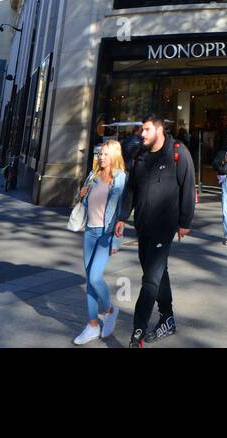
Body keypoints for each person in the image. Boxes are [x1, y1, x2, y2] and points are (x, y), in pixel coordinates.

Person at [115, 117, 195, 347]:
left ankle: (137, 331)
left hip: (165, 225)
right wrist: (123, 216)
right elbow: (131, 188)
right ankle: (167, 317)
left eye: (147, 129)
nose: (142, 133)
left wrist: (185, 221)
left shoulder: (177, 152)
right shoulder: (140, 155)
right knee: (159, 273)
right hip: (143, 225)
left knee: (150, 279)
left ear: (160, 130)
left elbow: (188, 185)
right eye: (142, 129)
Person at [73, 139, 127, 344]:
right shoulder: (93, 175)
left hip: (106, 234)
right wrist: (81, 195)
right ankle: (93, 325)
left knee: (95, 277)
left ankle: (110, 310)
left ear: (114, 155)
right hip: (90, 232)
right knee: (89, 279)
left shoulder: (120, 177)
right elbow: (85, 202)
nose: (100, 157)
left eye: (105, 154)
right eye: (100, 154)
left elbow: (121, 212)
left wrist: (116, 242)